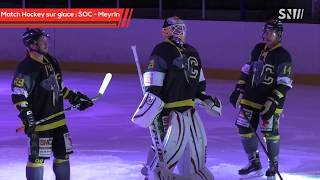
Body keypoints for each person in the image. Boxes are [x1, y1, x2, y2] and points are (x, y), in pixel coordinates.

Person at [132, 16, 222, 180]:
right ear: (164, 31)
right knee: (164, 155)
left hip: (184, 114)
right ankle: (150, 170)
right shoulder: (165, 50)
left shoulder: (181, 51)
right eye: (175, 28)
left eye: (181, 28)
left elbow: (197, 87)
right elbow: (155, 87)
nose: (179, 32)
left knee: (185, 160)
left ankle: (150, 170)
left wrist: (206, 100)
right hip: (172, 114)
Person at [11, 28, 93, 180]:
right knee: (36, 160)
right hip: (39, 125)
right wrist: (26, 115)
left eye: (45, 39)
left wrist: (75, 98)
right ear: (32, 44)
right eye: (41, 40)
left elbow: (58, 87)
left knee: (63, 156)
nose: (45, 43)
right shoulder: (26, 68)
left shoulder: (52, 61)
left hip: (59, 122)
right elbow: (18, 94)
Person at [229, 20, 293, 179]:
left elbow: (285, 82)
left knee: (269, 133)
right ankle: (254, 163)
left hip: (268, 103)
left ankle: (273, 165)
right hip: (250, 99)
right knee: (244, 128)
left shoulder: (283, 56)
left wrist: (272, 100)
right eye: (265, 31)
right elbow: (247, 70)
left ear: (279, 34)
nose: (267, 35)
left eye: (271, 32)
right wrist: (239, 89)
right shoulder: (258, 49)